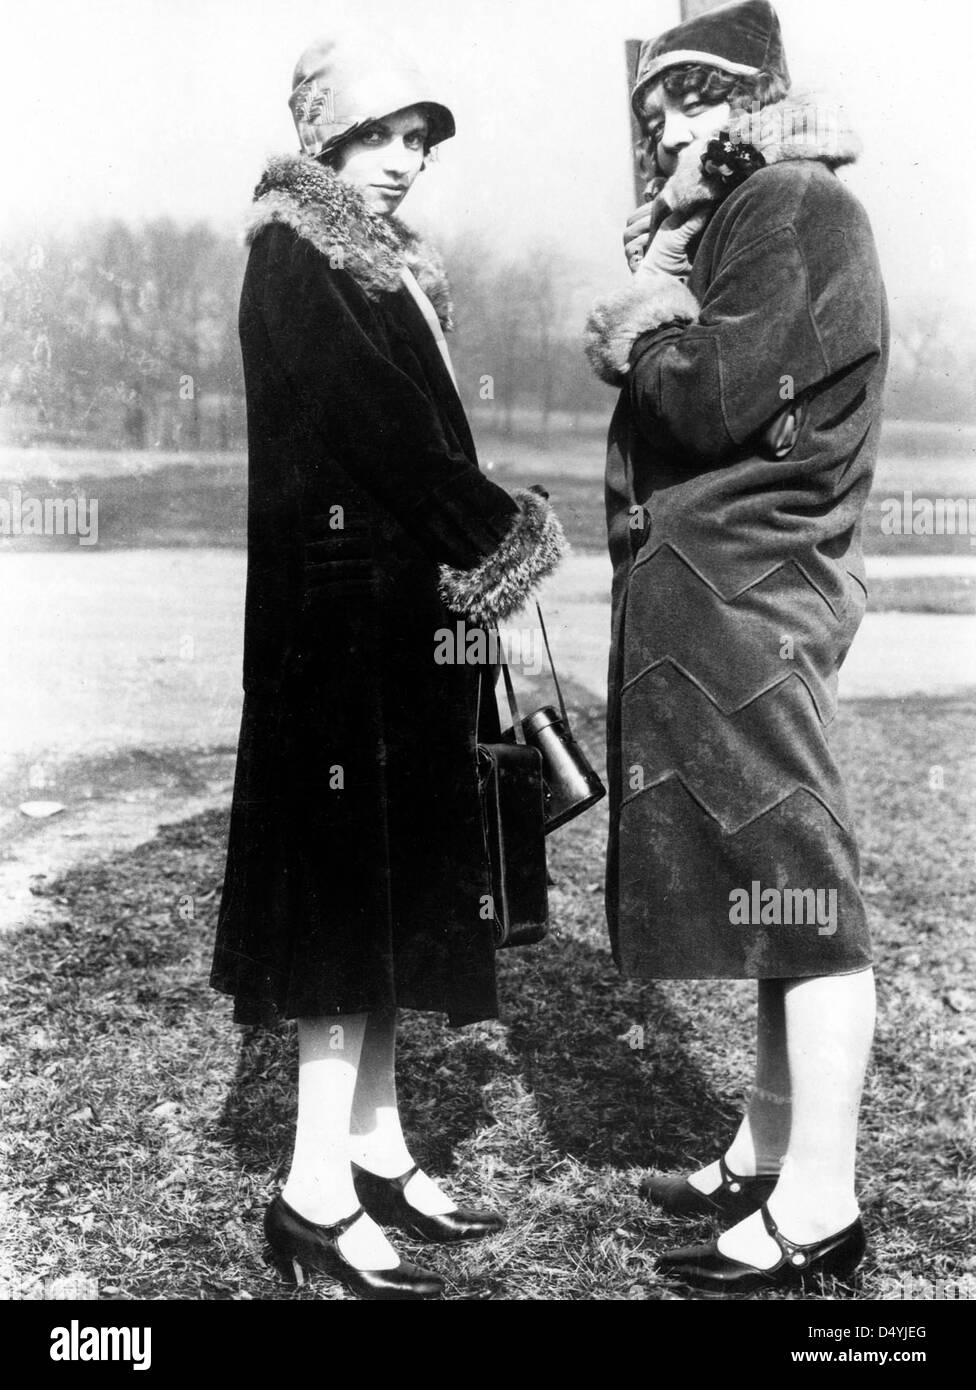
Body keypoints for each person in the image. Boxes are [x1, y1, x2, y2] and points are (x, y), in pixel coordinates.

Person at [210, 32, 566, 1300]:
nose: (405, 162)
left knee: (384, 894)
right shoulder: (296, 256)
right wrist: (505, 532)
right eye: (380, 138)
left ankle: (375, 1151)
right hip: (334, 638)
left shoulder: (377, 264)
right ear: (323, 141)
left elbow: (407, 436)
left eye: (418, 141)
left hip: (388, 629)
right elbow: (383, 432)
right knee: (340, 915)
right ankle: (310, 1200)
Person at [584, 0, 888, 1296]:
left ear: (755, 102)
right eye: (656, 109)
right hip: (731, 595)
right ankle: (770, 1145)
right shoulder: (759, 215)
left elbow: (713, 396)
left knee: (804, 898)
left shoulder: (788, 206)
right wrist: (672, 260)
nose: (667, 128)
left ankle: (818, 1204)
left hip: (743, 598)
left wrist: (644, 314)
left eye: (694, 100)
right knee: (772, 896)